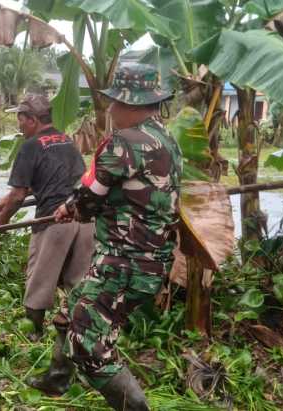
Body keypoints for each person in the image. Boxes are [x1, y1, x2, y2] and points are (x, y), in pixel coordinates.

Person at [31, 64, 182, 411]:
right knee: (72, 309)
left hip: (124, 262)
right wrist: (75, 206)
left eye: (116, 103)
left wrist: (71, 208)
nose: (111, 110)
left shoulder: (123, 144)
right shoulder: (166, 140)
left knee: (87, 343)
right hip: (149, 260)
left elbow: (88, 198)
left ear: (133, 104)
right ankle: (57, 378)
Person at [0, 94, 93, 342]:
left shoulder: (30, 146)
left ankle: (33, 336)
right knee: (78, 283)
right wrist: (3, 201)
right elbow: (49, 181)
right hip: (86, 220)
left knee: (39, 280)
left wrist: (0, 223)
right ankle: (80, 337)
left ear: (33, 120)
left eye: (21, 119)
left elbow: (18, 196)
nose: (19, 125)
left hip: (55, 222)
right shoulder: (66, 141)